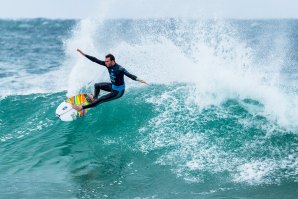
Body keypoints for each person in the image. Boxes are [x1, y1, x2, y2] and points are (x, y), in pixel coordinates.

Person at [72, 49, 148, 111]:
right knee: (97, 85)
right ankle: (94, 99)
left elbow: (130, 75)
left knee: (101, 99)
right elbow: (95, 60)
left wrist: (140, 80)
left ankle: (81, 108)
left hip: (118, 92)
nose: (106, 63)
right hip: (113, 86)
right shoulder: (107, 64)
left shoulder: (120, 69)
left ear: (113, 61)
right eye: (105, 61)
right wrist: (84, 54)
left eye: (107, 61)